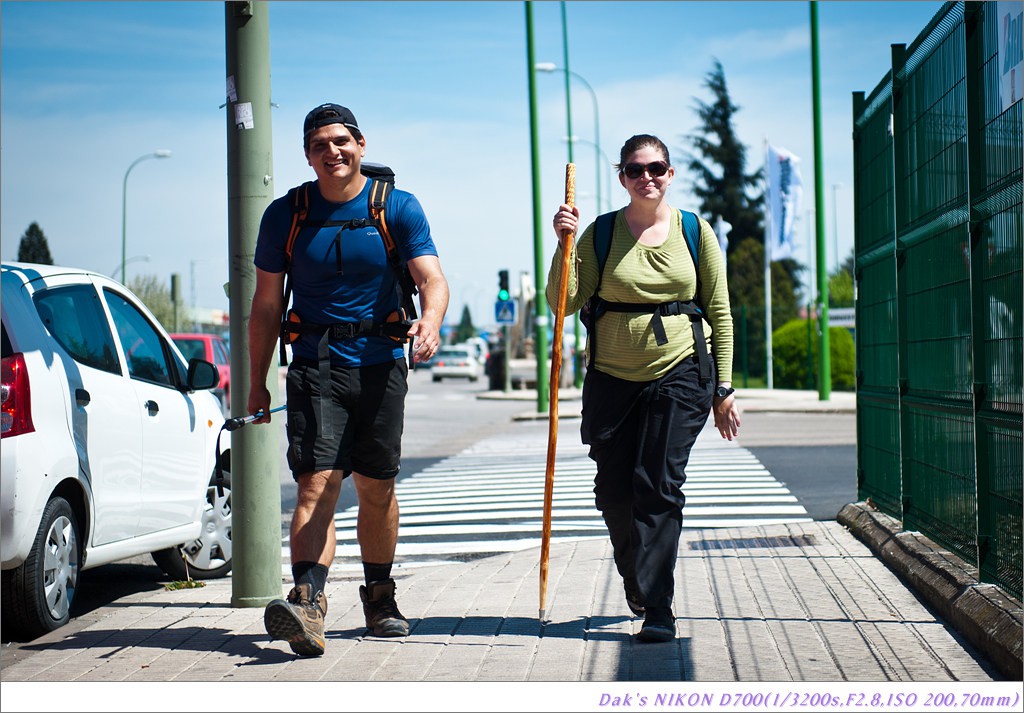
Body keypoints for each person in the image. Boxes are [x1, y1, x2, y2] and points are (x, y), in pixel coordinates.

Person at [247, 103, 449, 656]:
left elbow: (431, 278)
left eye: (340, 141)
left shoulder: (397, 207)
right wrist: (256, 383)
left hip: (382, 363)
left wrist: (429, 324)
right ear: (307, 155)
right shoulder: (285, 215)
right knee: (317, 482)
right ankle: (307, 604)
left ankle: (380, 597)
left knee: (376, 487)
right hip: (314, 365)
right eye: (319, 145)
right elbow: (265, 306)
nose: (331, 152)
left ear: (360, 144)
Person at [546, 134, 740, 643]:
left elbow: (719, 311)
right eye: (635, 170)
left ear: (670, 173)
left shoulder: (696, 232)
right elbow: (563, 302)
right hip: (611, 377)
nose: (646, 177)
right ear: (623, 178)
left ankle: (658, 607)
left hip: (679, 371)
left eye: (656, 168)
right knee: (614, 491)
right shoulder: (601, 233)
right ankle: (636, 576)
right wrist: (563, 245)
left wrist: (723, 387)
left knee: (657, 484)